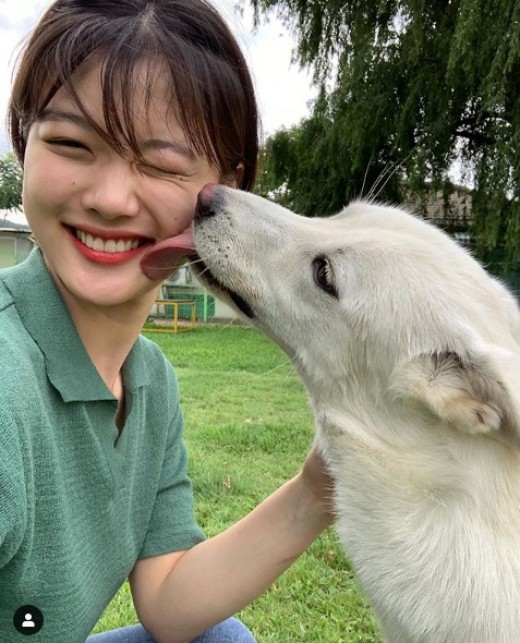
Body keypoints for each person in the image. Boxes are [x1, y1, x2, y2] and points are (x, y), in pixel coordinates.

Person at [0, 1, 334, 642]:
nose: (109, 199)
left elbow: (168, 601)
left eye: (160, 164)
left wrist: (319, 489)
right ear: (25, 144)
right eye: (71, 144)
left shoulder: (148, 381)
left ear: (222, 198)